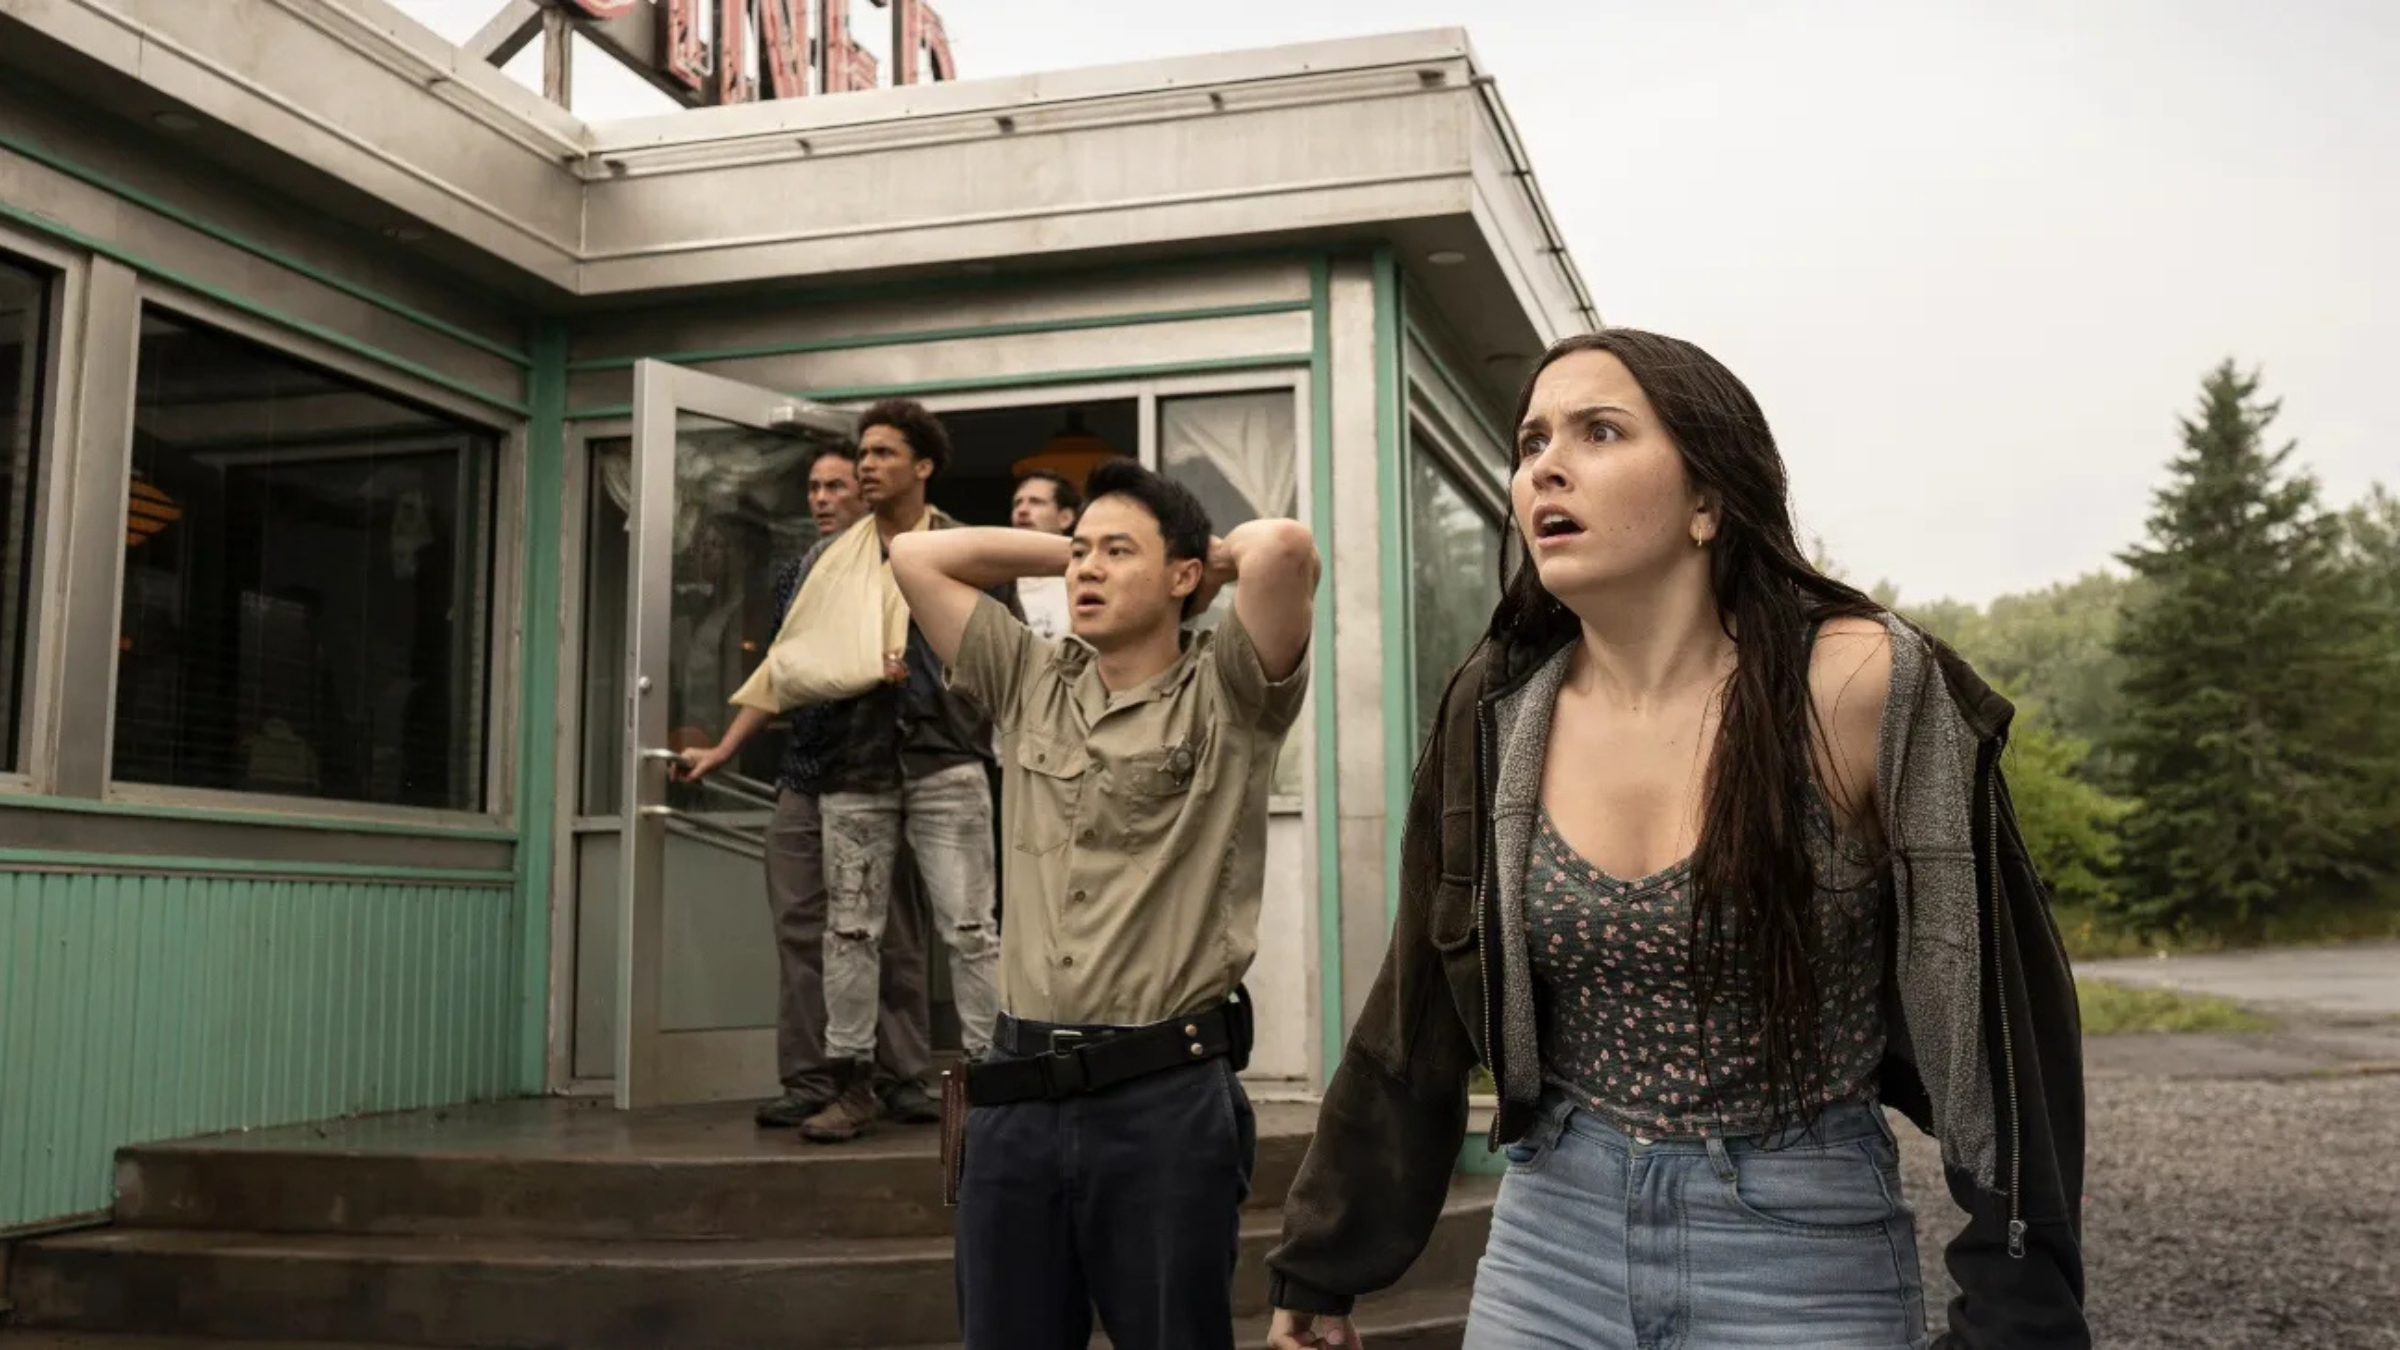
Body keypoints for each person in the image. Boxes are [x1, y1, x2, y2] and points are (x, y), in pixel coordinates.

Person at [1265, 330, 2088, 1349]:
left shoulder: (1858, 684)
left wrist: (2020, 1303)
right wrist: (1326, 1256)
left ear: (1709, 499)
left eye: (1600, 432)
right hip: (1552, 1236)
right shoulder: (1500, 708)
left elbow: (1998, 1003)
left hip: (1797, 1244)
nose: (1545, 467)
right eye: (1532, 442)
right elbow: (1418, 998)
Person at [891, 460, 1318, 1350]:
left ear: (1185, 574)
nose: (1086, 568)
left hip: (1161, 1103)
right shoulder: (1028, 677)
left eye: (1116, 552)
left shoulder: (1230, 691)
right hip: (1013, 1098)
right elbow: (917, 556)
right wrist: (1078, 550)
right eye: (1079, 552)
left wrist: (1194, 556)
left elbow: (1282, 547)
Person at [675, 442, 942, 1129]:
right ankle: (812, 1079)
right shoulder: (802, 572)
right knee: (802, 927)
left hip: (885, 767)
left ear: (868, 493)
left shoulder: (913, 559)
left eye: (837, 486)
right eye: (814, 488)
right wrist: (724, 750)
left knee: (892, 930)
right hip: (807, 770)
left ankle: (903, 1077)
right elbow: (781, 669)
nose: (822, 499)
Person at [1008, 468, 1082, 640]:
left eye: (1036, 502)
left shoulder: (1082, 579)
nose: (1022, 510)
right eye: (1017, 503)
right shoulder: (997, 581)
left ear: (1065, 518)